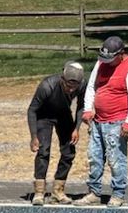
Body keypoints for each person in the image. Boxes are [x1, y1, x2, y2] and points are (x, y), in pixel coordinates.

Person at [79, 35, 128, 206]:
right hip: (98, 121)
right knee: (94, 157)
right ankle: (94, 191)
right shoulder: (101, 64)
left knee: (116, 159)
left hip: (117, 122)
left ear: (121, 54)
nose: (107, 62)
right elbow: (92, 86)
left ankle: (118, 193)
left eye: (111, 58)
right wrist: (87, 109)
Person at [25, 60, 85, 205]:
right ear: (62, 79)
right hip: (44, 116)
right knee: (43, 151)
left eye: (74, 87)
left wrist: (76, 128)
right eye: (68, 86)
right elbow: (32, 110)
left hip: (63, 115)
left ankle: (58, 191)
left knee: (69, 152)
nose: (71, 90)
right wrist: (34, 136)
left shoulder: (82, 84)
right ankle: (39, 192)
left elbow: (81, 107)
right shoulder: (47, 85)